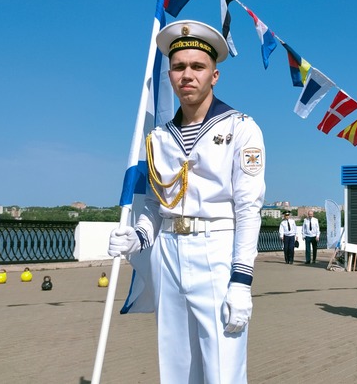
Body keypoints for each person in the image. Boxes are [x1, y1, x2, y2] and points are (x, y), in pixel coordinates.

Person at [108, 20, 266, 383]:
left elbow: (248, 210)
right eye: (178, 67)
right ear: (170, 74)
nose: (187, 75)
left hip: (217, 250)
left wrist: (242, 281)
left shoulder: (240, 128)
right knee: (177, 364)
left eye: (197, 66)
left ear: (215, 75)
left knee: (222, 368)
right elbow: (153, 203)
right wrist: (138, 237)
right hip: (169, 252)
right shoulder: (159, 136)